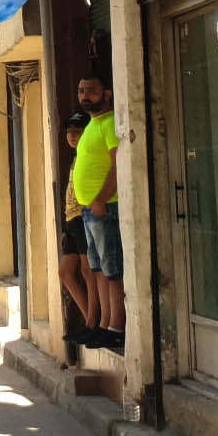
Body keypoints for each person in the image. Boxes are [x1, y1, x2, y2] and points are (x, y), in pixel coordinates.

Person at [73, 74, 125, 351]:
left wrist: (102, 198)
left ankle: (117, 327)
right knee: (98, 270)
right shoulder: (93, 124)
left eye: (91, 91)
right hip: (90, 210)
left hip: (106, 207)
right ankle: (104, 325)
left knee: (112, 269)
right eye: (81, 91)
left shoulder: (110, 123)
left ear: (106, 93)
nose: (84, 96)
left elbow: (119, 165)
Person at [58, 111, 103, 347]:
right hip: (72, 219)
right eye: (69, 131)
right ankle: (89, 320)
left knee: (89, 271)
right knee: (66, 271)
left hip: (85, 215)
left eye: (77, 130)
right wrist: (65, 227)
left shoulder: (88, 154)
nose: (72, 135)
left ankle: (93, 324)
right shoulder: (77, 157)